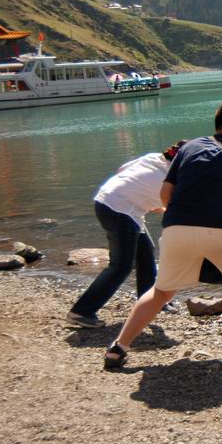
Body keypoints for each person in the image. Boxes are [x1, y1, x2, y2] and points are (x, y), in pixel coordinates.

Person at [103, 101, 222, 369]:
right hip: (221, 226)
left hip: (175, 225)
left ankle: (119, 347)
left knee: (161, 291)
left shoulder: (189, 147)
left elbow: (165, 195)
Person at [66, 140, 187, 328]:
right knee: (121, 266)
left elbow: (122, 169)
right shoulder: (167, 179)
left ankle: (149, 302)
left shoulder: (153, 158)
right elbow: (173, 206)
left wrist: (134, 192)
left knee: (146, 253)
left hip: (107, 201)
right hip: (120, 211)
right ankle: (81, 311)